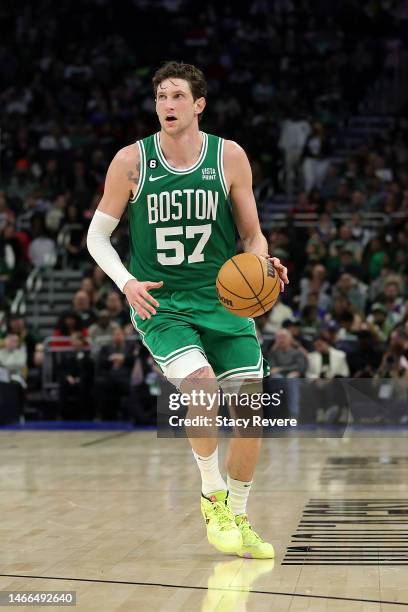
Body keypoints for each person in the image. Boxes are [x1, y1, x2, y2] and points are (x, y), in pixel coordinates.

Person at [87, 61, 288, 560]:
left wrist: (260, 263)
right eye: (160, 96)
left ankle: (238, 515)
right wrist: (126, 281)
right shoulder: (132, 162)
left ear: (199, 104)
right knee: (200, 384)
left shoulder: (230, 157)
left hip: (222, 300)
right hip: (164, 302)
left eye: (177, 96)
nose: (167, 105)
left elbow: (251, 233)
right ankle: (210, 494)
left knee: (250, 411)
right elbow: (96, 236)